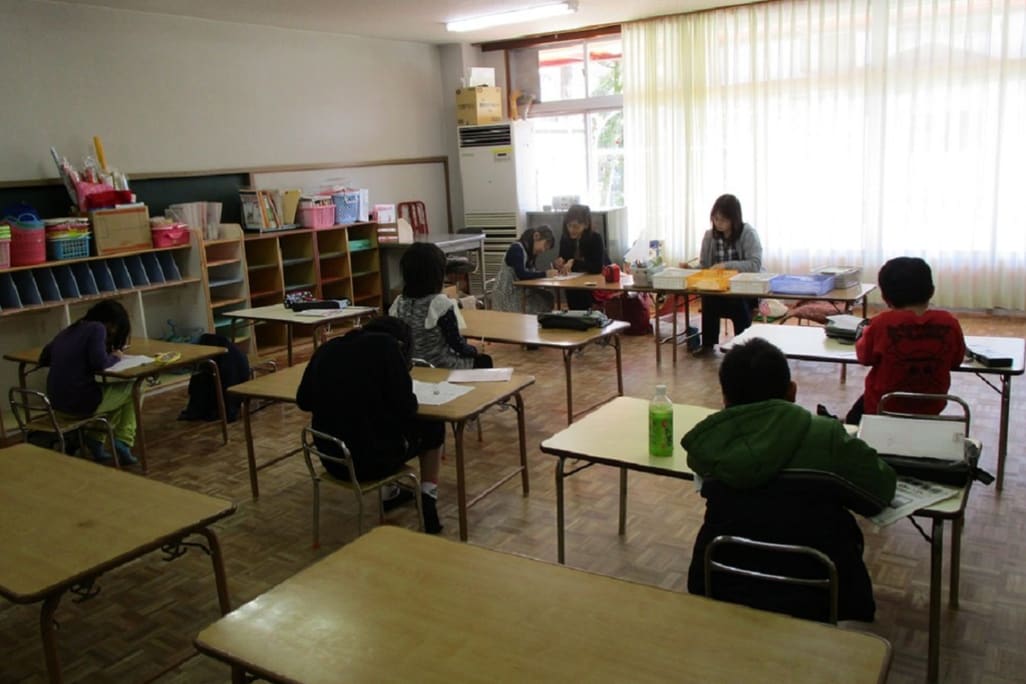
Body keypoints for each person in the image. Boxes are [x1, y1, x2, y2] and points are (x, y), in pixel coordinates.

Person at [682, 338, 896, 622]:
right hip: (815, 585)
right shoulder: (826, 436)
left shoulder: (710, 443)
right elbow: (880, 491)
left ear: (725, 397)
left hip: (725, 576)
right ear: (792, 391)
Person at [296, 316, 444, 534]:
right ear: (402, 346)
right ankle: (428, 498)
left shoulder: (327, 348)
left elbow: (303, 401)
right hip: (372, 462)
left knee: (377, 426)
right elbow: (407, 408)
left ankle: (391, 494)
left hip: (331, 459)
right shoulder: (388, 347)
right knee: (433, 425)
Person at [844, 256, 966, 425]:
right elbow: (956, 361)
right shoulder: (949, 322)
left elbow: (865, 358)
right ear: (931, 291)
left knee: (853, 418)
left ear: (885, 297)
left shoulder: (880, 323)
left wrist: (864, 334)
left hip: (883, 406)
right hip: (931, 406)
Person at [38, 299, 139, 465]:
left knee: (115, 399)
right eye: (115, 328)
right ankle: (123, 441)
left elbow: (45, 357)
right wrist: (116, 356)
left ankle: (95, 440)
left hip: (56, 403)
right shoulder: (97, 328)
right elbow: (100, 363)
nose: (113, 332)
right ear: (110, 322)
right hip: (79, 404)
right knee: (133, 387)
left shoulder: (71, 329)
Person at [390, 242, 492, 369]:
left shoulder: (398, 303)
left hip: (411, 365)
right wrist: (475, 349)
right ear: (437, 274)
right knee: (484, 360)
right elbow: (457, 345)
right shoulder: (439, 304)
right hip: (440, 365)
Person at [695, 194, 763, 354]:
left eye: (723, 220)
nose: (718, 223)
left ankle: (744, 347)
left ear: (734, 219)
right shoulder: (709, 236)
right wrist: (689, 268)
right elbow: (704, 266)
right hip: (718, 288)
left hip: (743, 289)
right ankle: (707, 345)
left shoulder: (748, 233)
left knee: (738, 301)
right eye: (715, 219)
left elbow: (754, 265)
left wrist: (726, 266)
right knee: (708, 298)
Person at [492, 225, 557, 314]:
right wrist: (545, 274)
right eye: (545, 245)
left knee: (548, 297)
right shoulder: (516, 249)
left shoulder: (530, 252)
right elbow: (522, 275)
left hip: (519, 292)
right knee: (543, 301)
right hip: (508, 295)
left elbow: (531, 272)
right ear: (536, 236)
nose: (543, 250)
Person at [555, 204, 608, 311]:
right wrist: (560, 263)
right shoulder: (565, 238)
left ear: (586, 225)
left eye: (576, 226)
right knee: (574, 310)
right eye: (569, 225)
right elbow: (563, 258)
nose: (571, 230)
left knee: (587, 310)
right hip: (572, 283)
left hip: (592, 285)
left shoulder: (595, 238)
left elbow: (597, 268)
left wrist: (574, 262)